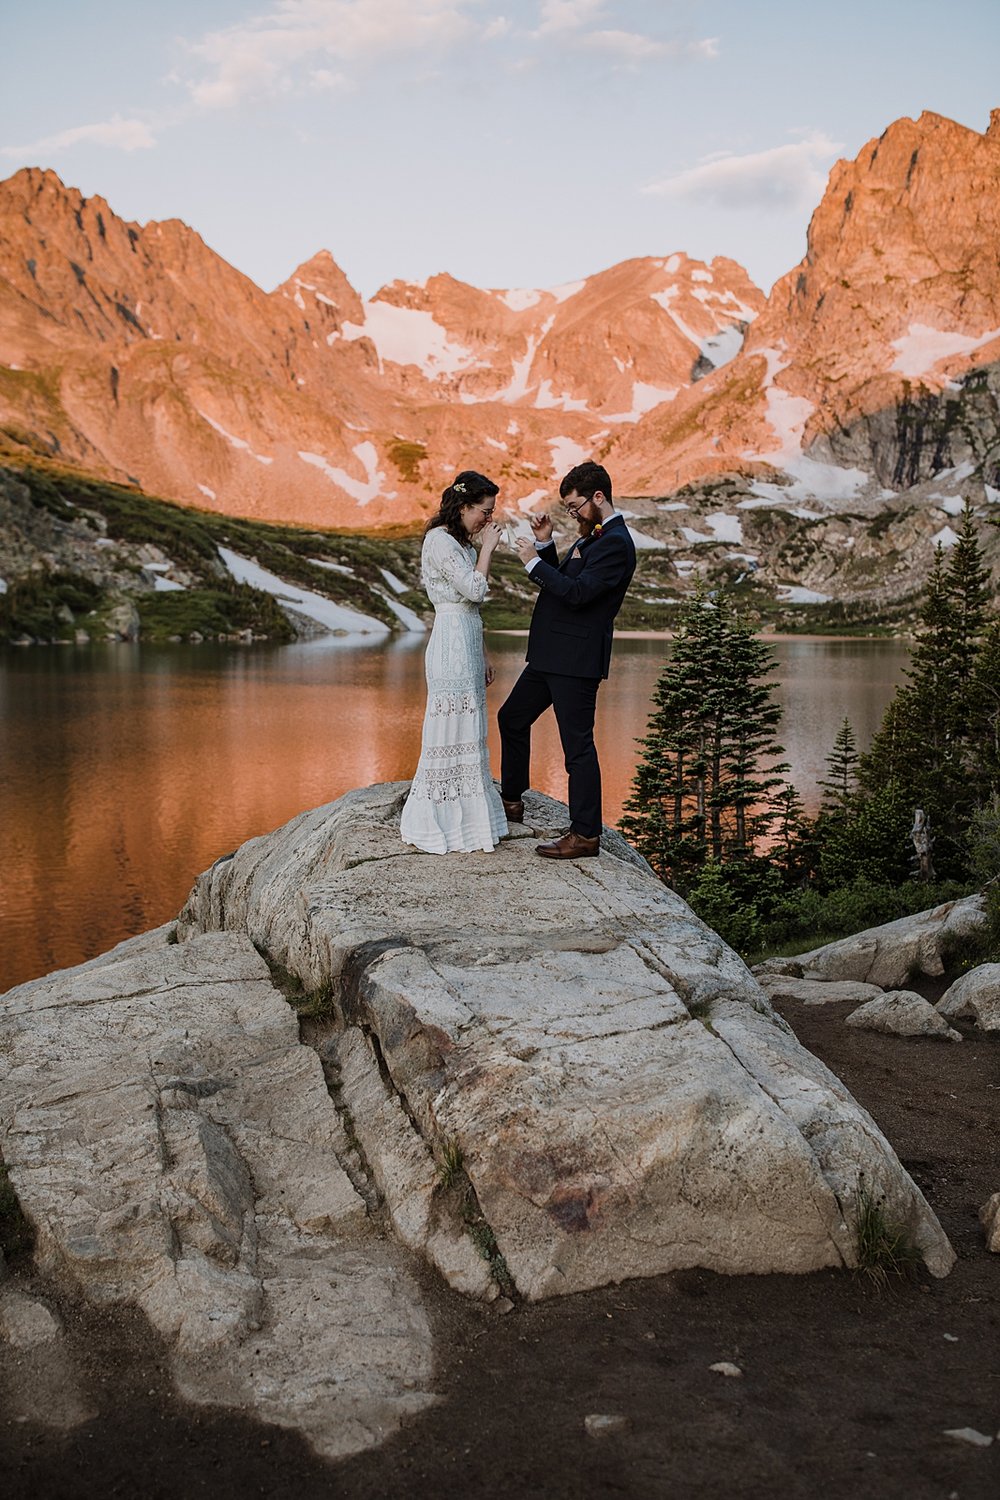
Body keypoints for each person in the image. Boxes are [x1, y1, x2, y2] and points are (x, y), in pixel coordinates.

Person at [498, 461, 636, 859]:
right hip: (551, 655)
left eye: (575, 506)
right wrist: (545, 545)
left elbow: (577, 594)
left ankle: (585, 834)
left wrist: (532, 563)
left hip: (575, 660)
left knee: (577, 748)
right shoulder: (594, 537)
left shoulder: (615, 543)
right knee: (511, 718)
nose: (572, 514)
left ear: (598, 497)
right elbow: (569, 581)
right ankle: (511, 801)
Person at [400, 470, 508, 854]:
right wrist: (488, 549)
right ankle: (439, 817)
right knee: (450, 724)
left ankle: (471, 820)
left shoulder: (459, 544)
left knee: (470, 724)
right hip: (448, 643)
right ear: (463, 507)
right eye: (484, 511)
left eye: (491, 512)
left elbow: (471, 609)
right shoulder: (440, 542)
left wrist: (482, 653)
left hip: (466, 639)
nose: (489, 519)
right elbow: (474, 590)